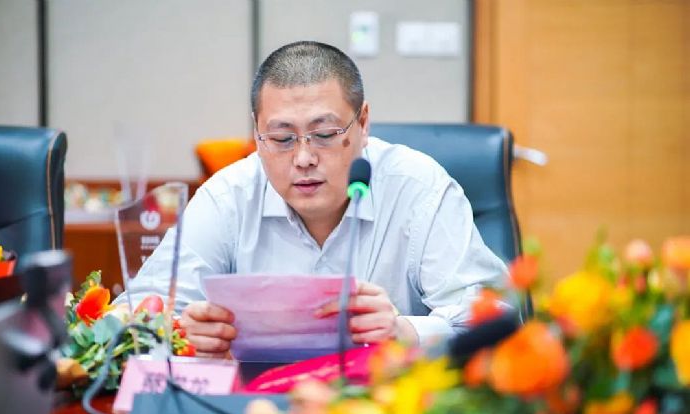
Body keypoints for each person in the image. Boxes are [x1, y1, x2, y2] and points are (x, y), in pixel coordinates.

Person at [117, 41, 507, 358]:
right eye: (282, 138)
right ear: (256, 135)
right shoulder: (228, 197)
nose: (303, 158)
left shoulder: (418, 188)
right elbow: (131, 315)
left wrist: (405, 331)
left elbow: (498, 319)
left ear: (363, 124)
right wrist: (181, 330)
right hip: (253, 410)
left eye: (324, 134)